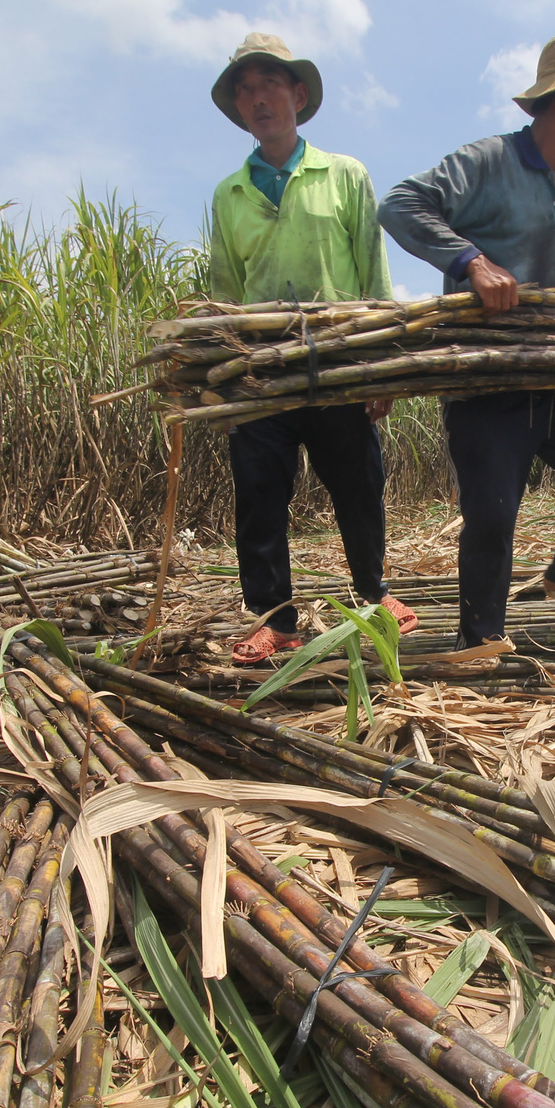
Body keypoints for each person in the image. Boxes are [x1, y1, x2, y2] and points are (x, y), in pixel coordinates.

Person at [378, 32, 555, 651]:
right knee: (494, 515)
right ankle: (480, 644)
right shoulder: (490, 161)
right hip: (485, 384)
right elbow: (400, 205)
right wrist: (471, 261)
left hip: (551, 388)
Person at [206, 33, 417, 665]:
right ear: (239, 107)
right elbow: (224, 293)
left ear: (297, 94)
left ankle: (375, 596)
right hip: (262, 369)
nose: (257, 97)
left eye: (269, 83)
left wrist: (379, 366)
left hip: (336, 359)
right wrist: (227, 373)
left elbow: (374, 277)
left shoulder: (344, 175)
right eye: (245, 88)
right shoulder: (229, 194)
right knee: (259, 492)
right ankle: (275, 619)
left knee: (358, 483)